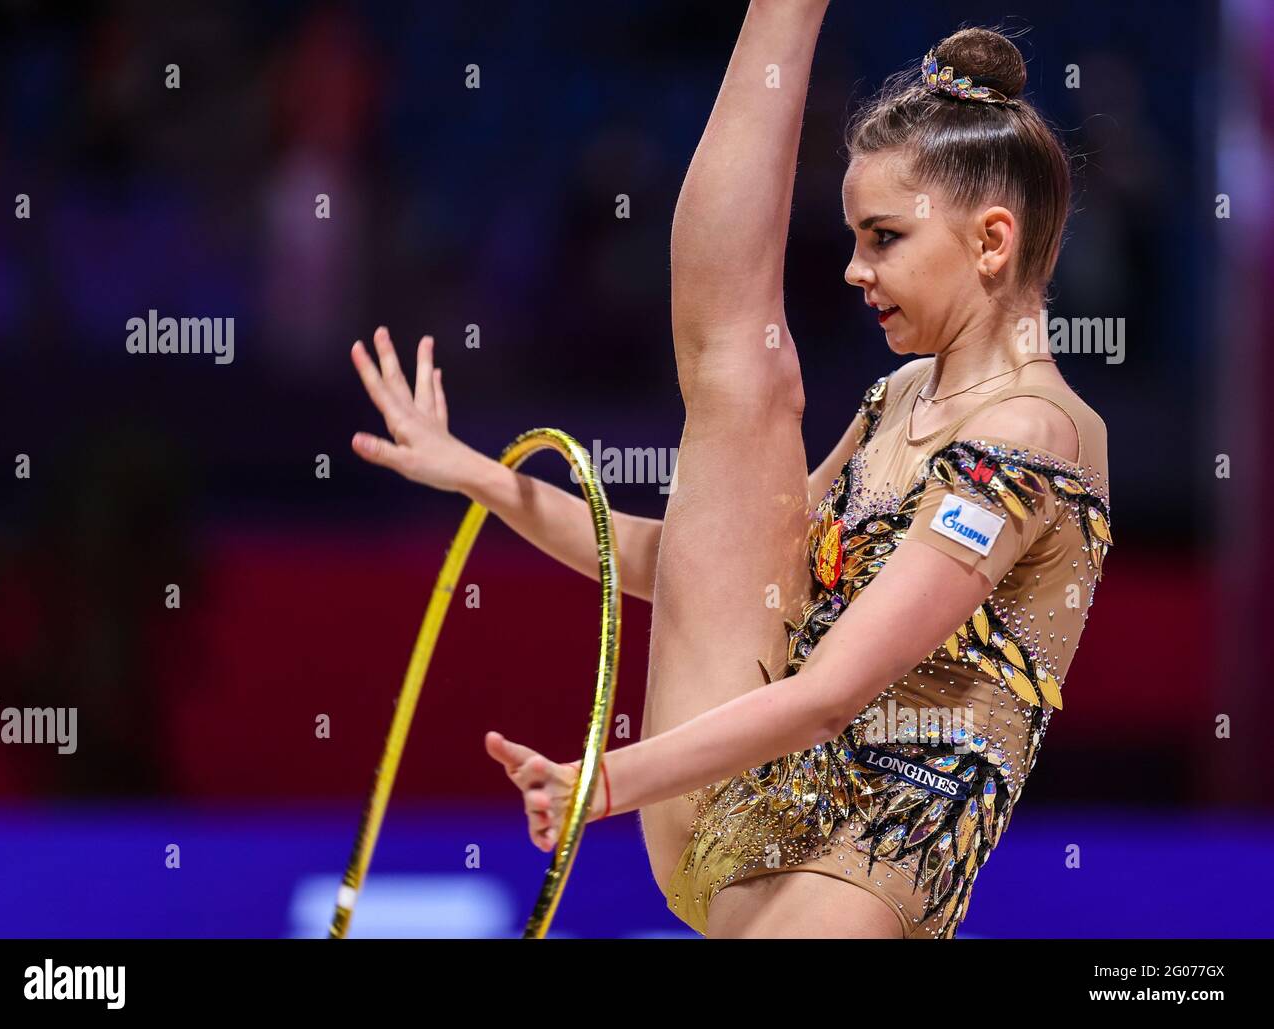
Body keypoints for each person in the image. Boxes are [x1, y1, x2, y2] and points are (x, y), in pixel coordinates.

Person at [348, 8, 1112, 939]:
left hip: (848, 874)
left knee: (748, 377)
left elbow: (831, 692)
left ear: (992, 242)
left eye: (883, 238)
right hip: (740, 805)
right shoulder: (902, 398)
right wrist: (472, 473)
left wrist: (603, 779)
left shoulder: (1033, 438)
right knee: (739, 371)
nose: (852, 271)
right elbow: (698, 570)